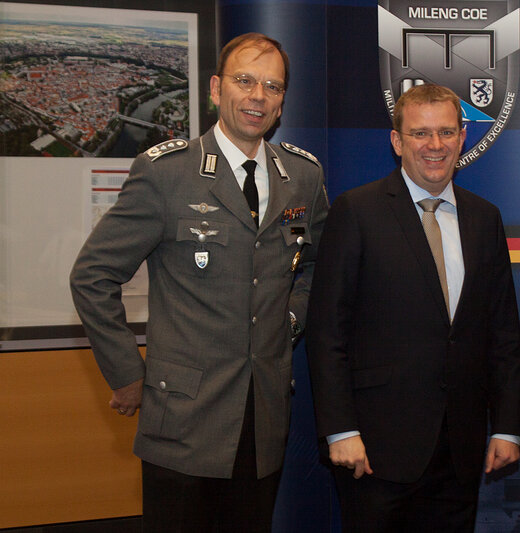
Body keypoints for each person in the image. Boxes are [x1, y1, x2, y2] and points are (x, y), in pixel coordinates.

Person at [69, 32, 328, 532]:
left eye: (272, 87)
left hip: (264, 418)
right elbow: (92, 276)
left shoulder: (303, 177)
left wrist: (290, 319)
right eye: (244, 81)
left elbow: (314, 264)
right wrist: (126, 373)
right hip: (183, 421)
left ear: (281, 102)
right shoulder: (167, 173)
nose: (257, 96)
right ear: (215, 89)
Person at [306, 83, 520, 532]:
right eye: (421, 133)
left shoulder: (485, 218)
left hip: (459, 453)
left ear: (463, 137)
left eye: (446, 132)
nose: (435, 145)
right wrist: (341, 431)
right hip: (374, 451)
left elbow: (502, 333)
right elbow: (328, 332)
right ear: (397, 141)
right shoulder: (357, 211)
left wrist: (506, 426)